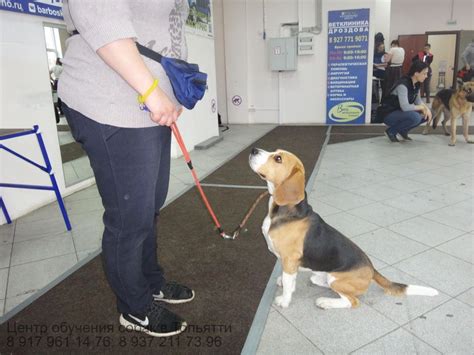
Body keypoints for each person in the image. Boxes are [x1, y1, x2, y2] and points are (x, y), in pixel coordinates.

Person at [58, 0, 194, 337]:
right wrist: (151, 91)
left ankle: (151, 282)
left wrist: (168, 92)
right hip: (112, 101)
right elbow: (101, 20)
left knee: (148, 208)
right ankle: (134, 308)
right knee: (130, 217)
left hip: (149, 107)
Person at [378, 61, 432, 142]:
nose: (426, 76)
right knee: (415, 117)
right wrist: (421, 107)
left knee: (428, 114)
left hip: (400, 112)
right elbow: (405, 107)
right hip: (389, 114)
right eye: (424, 73)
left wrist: (427, 109)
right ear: (416, 73)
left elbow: (418, 101)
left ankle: (402, 131)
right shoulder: (403, 85)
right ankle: (391, 131)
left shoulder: (416, 84)